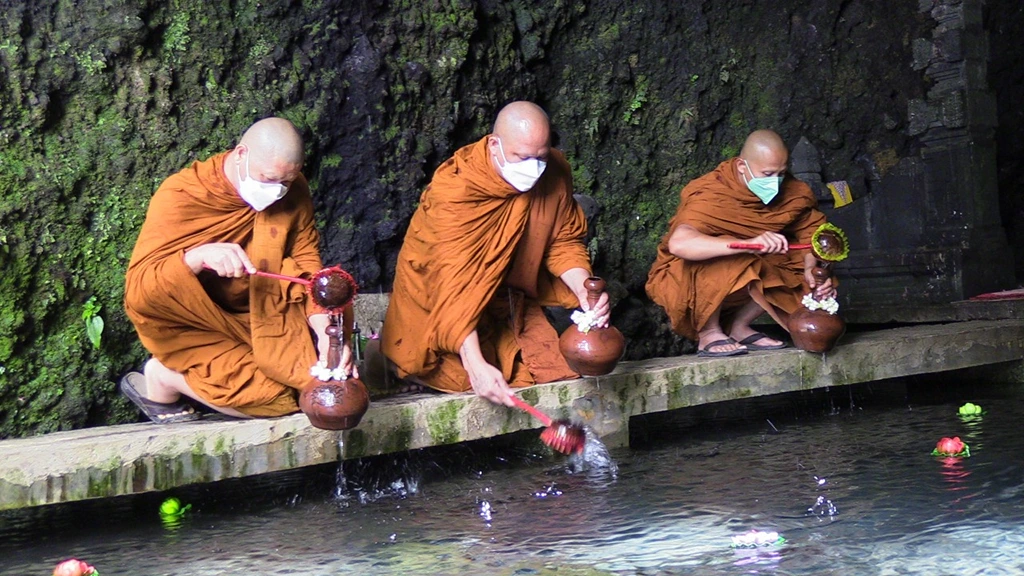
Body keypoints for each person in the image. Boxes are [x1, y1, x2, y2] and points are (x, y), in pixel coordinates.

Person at [122, 117, 356, 422]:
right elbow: (140, 294)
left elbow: (308, 268)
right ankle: (164, 376)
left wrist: (327, 337)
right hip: (202, 326)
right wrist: (196, 258)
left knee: (321, 382)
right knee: (277, 400)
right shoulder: (182, 195)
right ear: (241, 154)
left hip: (268, 312)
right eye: (269, 179)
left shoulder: (292, 188)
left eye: (286, 181)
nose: (278, 191)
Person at [381, 101, 610, 407]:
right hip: (440, 297)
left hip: (505, 295)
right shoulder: (455, 190)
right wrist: (475, 366)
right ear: (493, 145)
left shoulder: (554, 171)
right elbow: (451, 284)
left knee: (551, 369)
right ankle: (390, 358)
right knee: (463, 379)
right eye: (522, 157)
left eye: (540, 157)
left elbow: (562, 241)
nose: (534, 167)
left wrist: (583, 288)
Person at [645, 129, 836, 357]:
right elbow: (680, 243)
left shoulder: (793, 192)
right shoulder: (713, 191)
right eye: (767, 174)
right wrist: (749, 243)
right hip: (685, 277)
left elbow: (811, 234)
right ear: (741, 167)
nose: (774, 182)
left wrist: (809, 268)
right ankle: (709, 332)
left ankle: (739, 325)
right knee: (727, 254)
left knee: (807, 266)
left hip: (751, 265)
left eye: (781, 174)